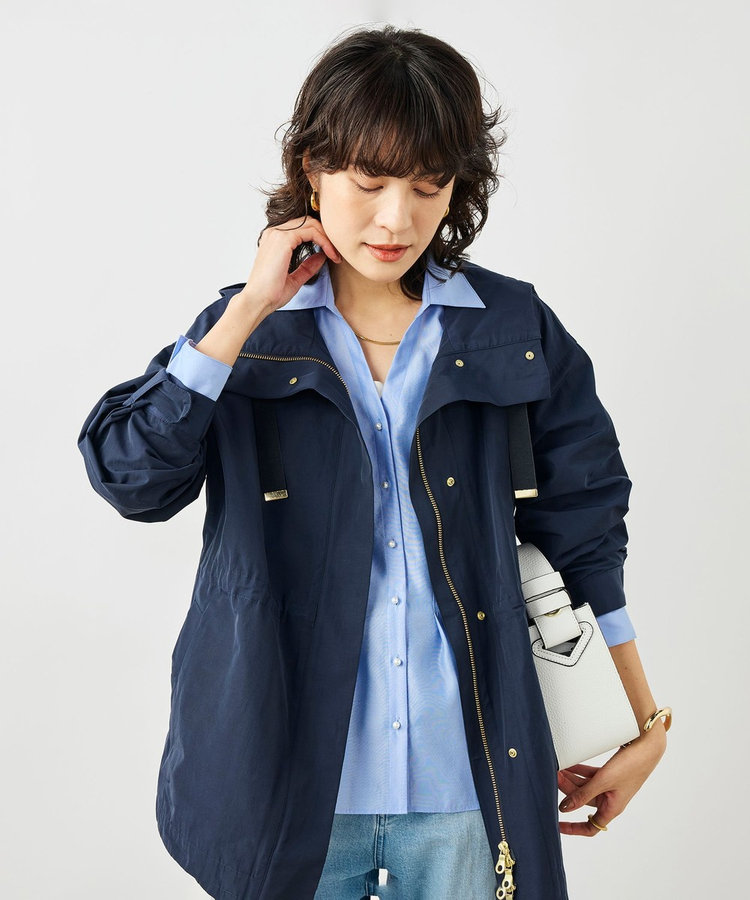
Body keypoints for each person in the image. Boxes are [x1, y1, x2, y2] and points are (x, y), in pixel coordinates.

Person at [77, 24, 669, 900]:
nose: (398, 219)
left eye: (428, 186)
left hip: (470, 783)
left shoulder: (513, 329)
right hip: (286, 787)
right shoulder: (248, 335)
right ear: (311, 168)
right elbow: (132, 478)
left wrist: (643, 722)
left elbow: (585, 530)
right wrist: (247, 309)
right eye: (368, 182)